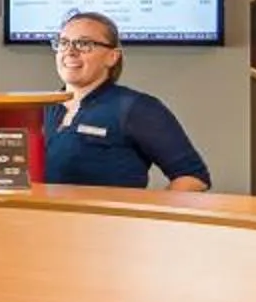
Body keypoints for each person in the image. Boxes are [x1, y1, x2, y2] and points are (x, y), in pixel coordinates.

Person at [43, 11, 211, 191]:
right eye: (63, 42)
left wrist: (148, 216)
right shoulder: (38, 108)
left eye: (84, 44)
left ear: (112, 57)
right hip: (37, 217)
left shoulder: (137, 108)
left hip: (106, 219)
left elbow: (193, 178)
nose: (70, 51)